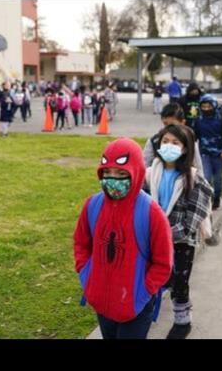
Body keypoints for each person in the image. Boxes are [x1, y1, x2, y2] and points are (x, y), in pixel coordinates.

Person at [73, 137, 173, 339]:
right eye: (107, 172)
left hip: (135, 306)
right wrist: (87, 276)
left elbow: (163, 263)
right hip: (102, 301)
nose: (113, 179)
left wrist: (143, 292)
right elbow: (81, 243)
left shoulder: (152, 213)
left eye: (121, 173)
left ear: (136, 172)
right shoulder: (93, 205)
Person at [143, 124, 213, 339]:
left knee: (179, 283)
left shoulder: (194, 180)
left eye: (175, 143)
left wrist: (161, 236)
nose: (169, 146)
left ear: (185, 149)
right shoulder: (149, 174)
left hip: (181, 242)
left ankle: (183, 322)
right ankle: (143, 315)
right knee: (151, 278)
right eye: (165, 142)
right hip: (152, 240)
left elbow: (190, 223)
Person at [195, 94, 222, 211]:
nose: (206, 109)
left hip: (219, 155)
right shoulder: (198, 121)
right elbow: (194, 136)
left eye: (209, 106)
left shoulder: (221, 120)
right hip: (204, 154)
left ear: (214, 106)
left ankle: (217, 197)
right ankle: (207, 200)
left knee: (218, 179)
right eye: (204, 107)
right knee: (206, 177)